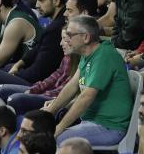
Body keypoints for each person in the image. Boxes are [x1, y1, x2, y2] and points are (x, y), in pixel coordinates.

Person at [45, 15, 134, 144]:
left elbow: (86, 97)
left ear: (85, 37)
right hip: (91, 121)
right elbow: (72, 86)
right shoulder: (88, 54)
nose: (66, 40)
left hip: (108, 127)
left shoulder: (104, 56)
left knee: (56, 140)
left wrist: (58, 128)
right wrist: (50, 111)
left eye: (70, 35)